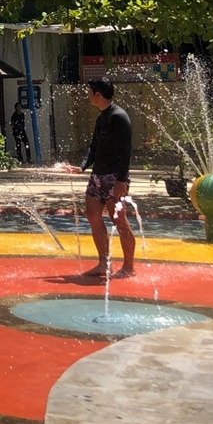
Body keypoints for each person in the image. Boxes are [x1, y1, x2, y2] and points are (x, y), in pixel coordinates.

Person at [80, 78, 135, 278]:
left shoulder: (119, 116)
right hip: (98, 175)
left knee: (118, 219)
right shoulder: (101, 118)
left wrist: (121, 180)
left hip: (115, 176)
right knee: (92, 214)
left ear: (98, 94)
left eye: (90, 92)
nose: (88, 95)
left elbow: (126, 150)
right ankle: (104, 263)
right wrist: (82, 166)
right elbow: (93, 147)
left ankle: (128, 267)